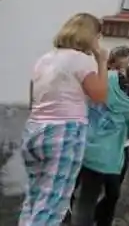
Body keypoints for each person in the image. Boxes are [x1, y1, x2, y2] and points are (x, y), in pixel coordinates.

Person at [21, 14, 109, 226]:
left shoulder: (45, 59)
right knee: (53, 202)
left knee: (34, 198)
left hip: (35, 129)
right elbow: (99, 96)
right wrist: (102, 61)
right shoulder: (81, 60)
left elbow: (33, 97)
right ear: (92, 36)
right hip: (65, 132)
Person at [72, 47, 129, 226]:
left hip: (87, 143)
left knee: (86, 197)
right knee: (109, 196)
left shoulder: (108, 77)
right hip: (112, 153)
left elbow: (87, 97)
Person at [63, 47, 129, 226]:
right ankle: (67, 218)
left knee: (112, 193)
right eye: (119, 68)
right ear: (111, 66)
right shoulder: (100, 83)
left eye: (125, 69)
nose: (121, 73)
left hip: (120, 147)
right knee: (83, 191)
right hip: (93, 145)